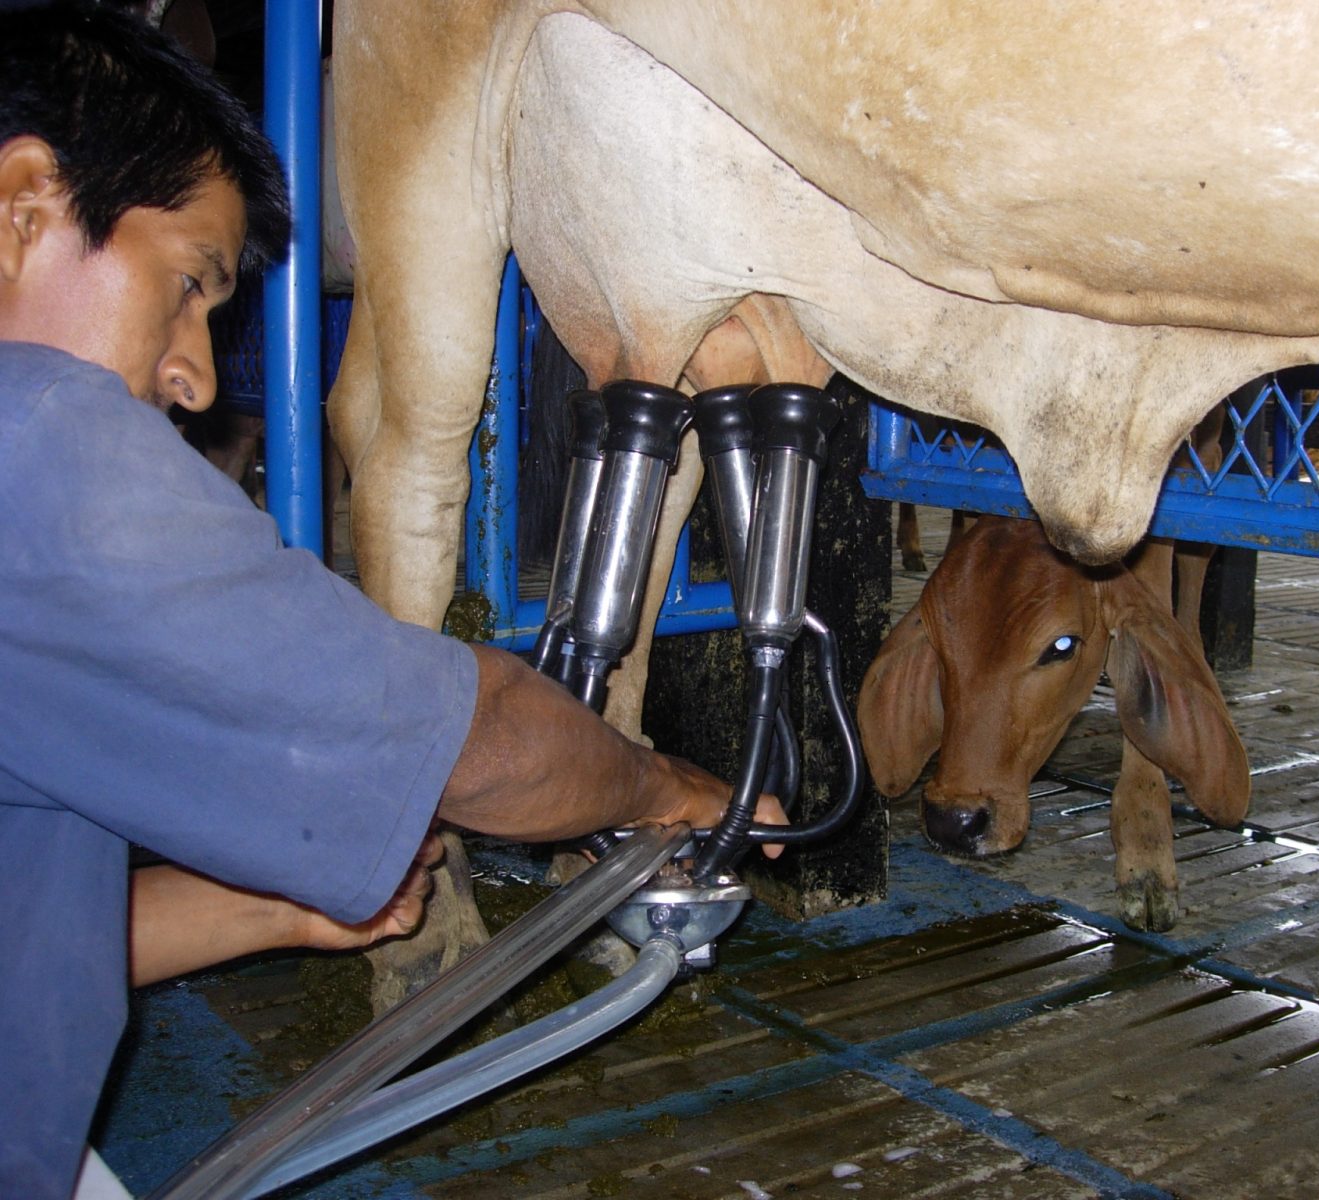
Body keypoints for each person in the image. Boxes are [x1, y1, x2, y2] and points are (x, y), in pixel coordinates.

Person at [0, 5, 782, 1196]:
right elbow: (480, 741)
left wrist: (273, 911)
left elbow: (27, 937)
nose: (196, 376)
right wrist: (662, 785)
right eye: (189, 286)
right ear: (24, 209)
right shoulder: (41, 444)